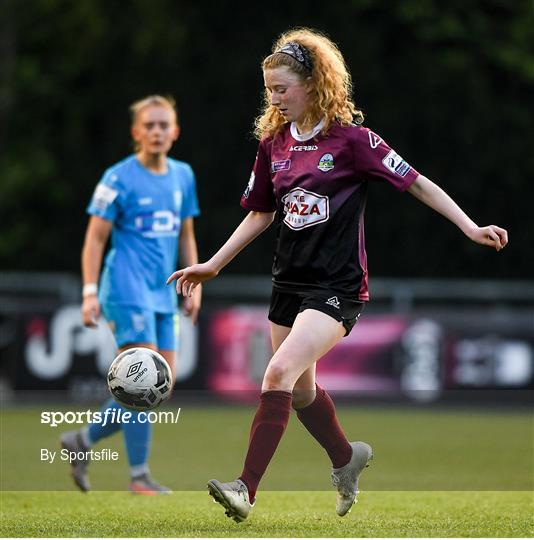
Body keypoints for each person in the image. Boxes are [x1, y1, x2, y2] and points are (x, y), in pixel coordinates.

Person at [167, 28, 508, 521]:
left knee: (276, 373)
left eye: (283, 88)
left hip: (337, 287)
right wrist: (214, 263)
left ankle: (245, 488)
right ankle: (347, 460)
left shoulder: (353, 142)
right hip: (288, 282)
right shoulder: (273, 144)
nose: (275, 98)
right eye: (270, 90)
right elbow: (261, 212)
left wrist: (469, 226)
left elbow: (416, 183)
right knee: (301, 390)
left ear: (314, 83)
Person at [61, 95, 201, 494]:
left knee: (162, 387)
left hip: (162, 292)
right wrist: (90, 293)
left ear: (174, 132)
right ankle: (139, 477)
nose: (157, 132)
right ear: (136, 132)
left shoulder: (183, 176)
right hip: (125, 288)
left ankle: (82, 441)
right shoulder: (117, 177)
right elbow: (95, 239)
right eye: (149, 125)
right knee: (143, 380)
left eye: (163, 125)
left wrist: (194, 284)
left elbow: (187, 234)